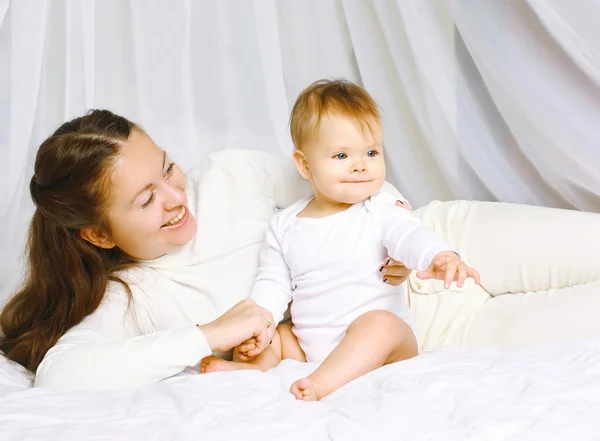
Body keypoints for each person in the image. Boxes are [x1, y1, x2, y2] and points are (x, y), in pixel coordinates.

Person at [0, 109, 411, 391]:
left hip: (404, 283)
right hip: (332, 346)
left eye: (167, 168)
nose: (176, 197)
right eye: (146, 200)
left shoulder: (230, 175)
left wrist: (396, 236)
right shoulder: (132, 294)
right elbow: (59, 375)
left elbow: (354, 179)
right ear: (99, 235)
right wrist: (210, 334)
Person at [200, 80, 480, 401]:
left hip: (386, 345)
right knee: (272, 334)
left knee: (380, 323)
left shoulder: (381, 209)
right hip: (309, 346)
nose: (360, 164)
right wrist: (259, 325)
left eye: (371, 152)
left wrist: (438, 255)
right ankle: (252, 369)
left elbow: (410, 236)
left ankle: (321, 383)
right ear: (305, 165)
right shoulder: (285, 225)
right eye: (342, 155)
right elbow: (273, 284)